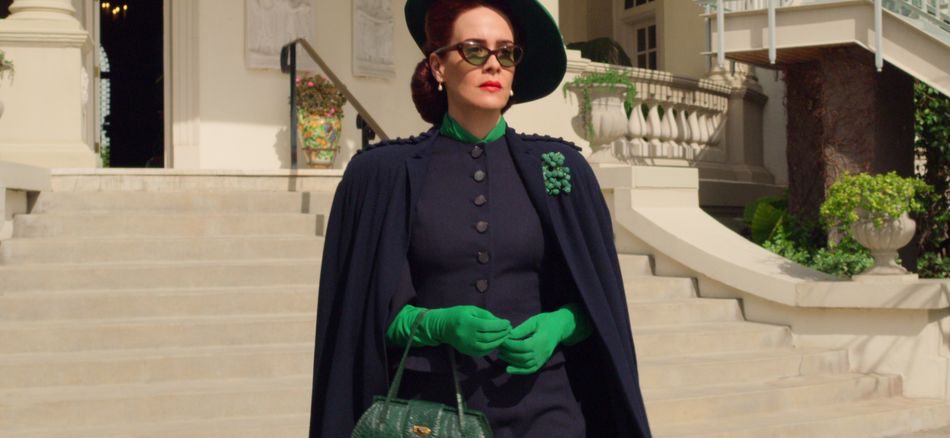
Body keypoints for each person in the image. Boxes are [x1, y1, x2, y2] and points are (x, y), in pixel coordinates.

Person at [308, 0, 653, 436]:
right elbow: (359, 317)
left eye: (506, 53)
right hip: (431, 419)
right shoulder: (381, 176)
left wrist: (561, 323)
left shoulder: (562, 169)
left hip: (549, 411)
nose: (493, 64)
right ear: (438, 66)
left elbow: (599, 303)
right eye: (474, 50)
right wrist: (434, 324)